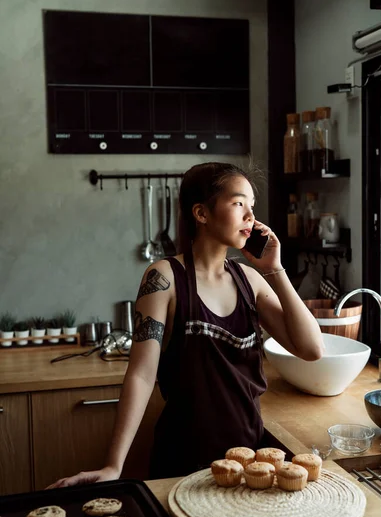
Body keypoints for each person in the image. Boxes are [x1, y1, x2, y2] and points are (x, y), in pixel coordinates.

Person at [49, 162, 323, 487]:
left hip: (247, 460)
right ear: (201, 213)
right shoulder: (164, 278)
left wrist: (274, 269)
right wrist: (113, 465)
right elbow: (141, 373)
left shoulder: (251, 279)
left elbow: (311, 349)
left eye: (252, 205)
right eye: (238, 203)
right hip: (183, 461)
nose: (251, 216)